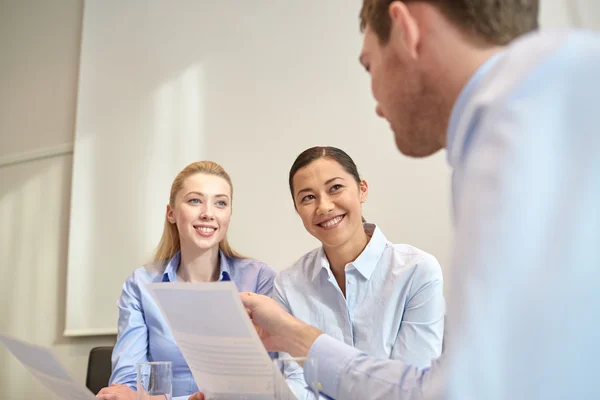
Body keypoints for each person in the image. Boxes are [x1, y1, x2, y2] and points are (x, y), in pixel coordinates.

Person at [236, 1, 600, 399]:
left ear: (405, 27)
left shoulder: (516, 133)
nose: (376, 104)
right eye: (307, 197)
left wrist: (301, 339)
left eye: (368, 66)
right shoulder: (524, 113)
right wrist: (295, 338)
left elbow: (461, 389)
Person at [96, 161, 276, 400]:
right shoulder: (141, 283)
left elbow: (266, 383)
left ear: (229, 214)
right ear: (171, 213)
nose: (208, 213)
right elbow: (126, 384)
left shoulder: (259, 280)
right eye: (195, 200)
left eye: (220, 203)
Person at [277, 145, 444, 398]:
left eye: (335, 188)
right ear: (297, 210)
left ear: (362, 190)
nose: (323, 206)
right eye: (307, 197)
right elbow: (297, 381)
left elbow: (410, 387)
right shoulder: (288, 284)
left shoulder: (417, 272)